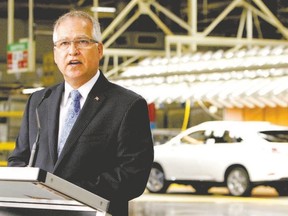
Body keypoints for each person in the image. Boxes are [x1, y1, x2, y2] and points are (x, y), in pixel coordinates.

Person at [8, 10, 154, 216]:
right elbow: (18, 159)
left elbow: (132, 177)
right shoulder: (38, 101)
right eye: (64, 43)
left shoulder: (128, 105)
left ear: (100, 49)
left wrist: (64, 193)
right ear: (55, 53)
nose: (73, 51)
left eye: (82, 42)